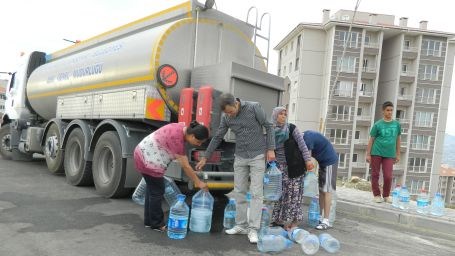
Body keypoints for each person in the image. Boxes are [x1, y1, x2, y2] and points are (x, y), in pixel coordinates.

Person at [195, 93, 275, 244]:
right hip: (240, 157)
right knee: (239, 191)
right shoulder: (226, 118)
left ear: (236, 103)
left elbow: (269, 126)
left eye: (230, 111)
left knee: (257, 192)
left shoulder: (254, 107)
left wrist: (271, 148)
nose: (229, 115)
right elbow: (218, 136)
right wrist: (205, 157)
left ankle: (253, 229)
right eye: (226, 113)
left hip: (257, 155)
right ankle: (241, 225)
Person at [134, 121, 209, 232]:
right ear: (192, 135)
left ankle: (149, 222)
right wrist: (198, 182)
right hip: (148, 161)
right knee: (157, 191)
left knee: (152, 190)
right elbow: (186, 166)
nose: (198, 145)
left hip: (142, 154)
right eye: (198, 142)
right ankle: (157, 224)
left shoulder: (181, 128)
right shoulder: (177, 139)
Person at [269, 107, 314, 230]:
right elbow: (268, 149)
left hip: (294, 167)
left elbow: (303, 146)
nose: (283, 116)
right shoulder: (270, 130)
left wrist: (308, 160)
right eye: (280, 114)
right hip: (278, 167)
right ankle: (278, 220)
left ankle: (295, 221)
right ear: (275, 116)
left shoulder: (291, 128)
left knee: (294, 195)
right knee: (280, 194)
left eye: (285, 114)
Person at [302, 130, 339, 230]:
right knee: (321, 191)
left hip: (330, 161)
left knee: (327, 191)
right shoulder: (304, 137)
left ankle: (326, 220)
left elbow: (308, 161)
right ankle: (320, 217)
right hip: (322, 162)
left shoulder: (307, 139)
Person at [366, 101, 401, 204]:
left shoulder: (397, 125)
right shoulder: (377, 124)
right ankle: (376, 195)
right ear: (383, 111)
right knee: (375, 174)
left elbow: (398, 140)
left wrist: (398, 154)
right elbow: (371, 140)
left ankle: (386, 195)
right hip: (376, 151)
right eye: (387, 110)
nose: (390, 112)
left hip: (389, 154)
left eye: (391, 110)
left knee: (388, 175)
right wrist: (368, 154)